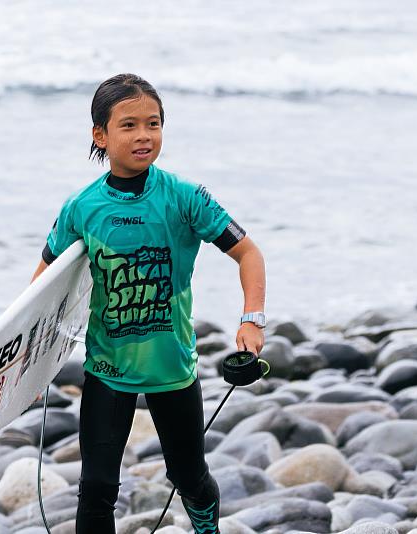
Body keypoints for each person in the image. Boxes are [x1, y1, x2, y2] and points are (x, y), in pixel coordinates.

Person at [30, 73, 266, 534]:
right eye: (129, 125)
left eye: (153, 124)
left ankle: (207, 528)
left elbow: (248, 253)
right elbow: (42, 286)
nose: (144, 135)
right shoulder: (81, 207)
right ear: (99, 134)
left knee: (188, 477)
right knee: (97, 485)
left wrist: (252, 321)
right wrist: (29, 367)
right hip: (107, 370)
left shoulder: (184, 197)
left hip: (171, 368)